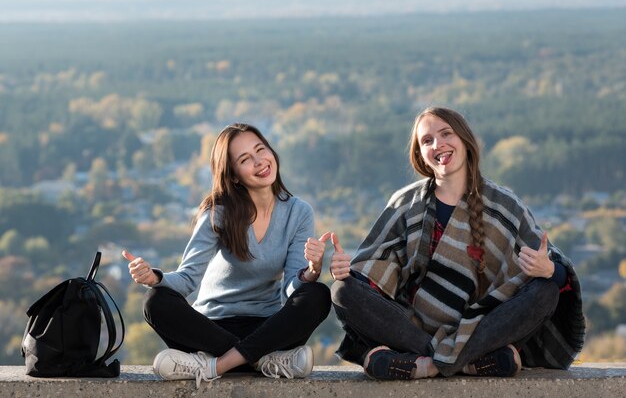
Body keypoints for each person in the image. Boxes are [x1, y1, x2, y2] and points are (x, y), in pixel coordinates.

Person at [328, 107, 585, 380]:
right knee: (342, 290)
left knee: (545, 292)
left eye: (446, 134)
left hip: (482, 327)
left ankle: (425, 365)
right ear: (420, 154)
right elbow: (371, 272)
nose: (438, 145)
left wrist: (548, 270)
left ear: (464, 140)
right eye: (427, 141)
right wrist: (345, 272)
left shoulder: (505, 206)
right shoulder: (405, 203)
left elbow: (558, 275)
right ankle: (466, 363)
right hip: (410, 328)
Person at [123, 123, 331, 388]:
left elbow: (293, 288)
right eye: (245, 159)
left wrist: (312, 269)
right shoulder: (218, 214)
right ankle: (263, 362)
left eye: (260, 150)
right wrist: (154, 277)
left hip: (268, 329)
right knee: (155, 302)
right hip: (212, 330)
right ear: (233, 175)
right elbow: (187, 279)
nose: (259, 162)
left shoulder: (299, 212)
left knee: (318, 294)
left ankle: (215, 366)